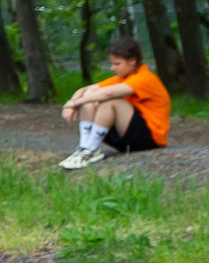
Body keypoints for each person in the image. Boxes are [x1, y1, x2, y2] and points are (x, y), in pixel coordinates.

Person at [58, 36, 172, 169]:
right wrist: (70, 103)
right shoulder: (122, 78)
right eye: (112, 63)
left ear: (132, 61)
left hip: (150, 139)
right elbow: (84, 90)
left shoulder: (145, 78)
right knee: (89, 98)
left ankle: (91, 150)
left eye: (117, 64)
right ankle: (85, 148)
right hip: (127, 137)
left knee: (111, 102)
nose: (112, 68)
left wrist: (73, 104)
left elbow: (108, 93)